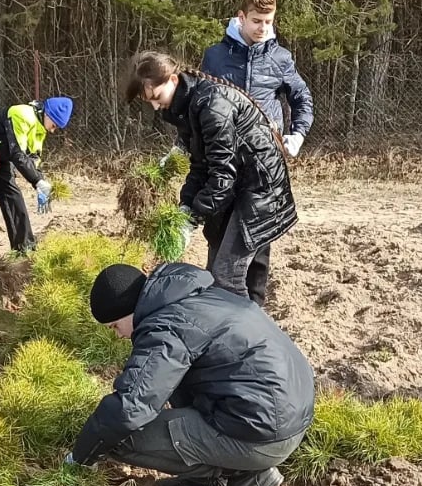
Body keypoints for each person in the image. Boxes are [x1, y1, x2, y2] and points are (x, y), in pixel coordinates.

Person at [64, 262, 315, 486]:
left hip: (262, 433)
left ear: (128, 311)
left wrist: (81, 457)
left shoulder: (165, 327)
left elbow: (130, 408)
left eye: (114, 326)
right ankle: (212, 477)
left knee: (117, 438)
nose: (117, 335)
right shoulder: (195, 295)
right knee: (173, 383)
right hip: (290, 415)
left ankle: (245, 475)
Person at [127, 50, 297, 306]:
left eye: (155, 96)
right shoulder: (187, 108)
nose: (153, 105)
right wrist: (185, 207)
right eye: (147, 100)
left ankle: (244, 336)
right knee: (217, 267)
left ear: (173, 80)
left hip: (260, 190)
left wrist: (192, 218)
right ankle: (244, 331)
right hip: (239, 188)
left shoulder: (212, 105)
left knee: (227, 277)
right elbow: (200, 167)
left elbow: (221, 174)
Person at [200, 0, 314, 158]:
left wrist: (298, 134)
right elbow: (198, 105)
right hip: (224, 156)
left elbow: (302, 97)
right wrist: (183, 146)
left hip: (268, 157)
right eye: (256, 21)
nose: (263, 28)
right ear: (241, 17)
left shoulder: (280, 58)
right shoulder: (215, 57)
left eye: (268, 21)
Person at [0, 95, 73, 257]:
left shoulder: (40, 128)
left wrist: (40, 180)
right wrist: (37, 181)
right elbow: (17, 154)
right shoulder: (22, 114)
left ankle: (25, 250)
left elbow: (33, 157)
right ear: (48, 115)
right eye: (55, 125)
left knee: (13, 195)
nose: (53, 130)